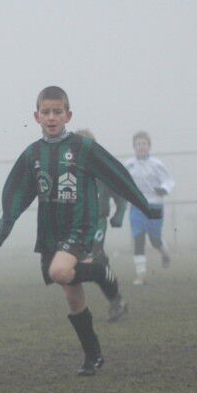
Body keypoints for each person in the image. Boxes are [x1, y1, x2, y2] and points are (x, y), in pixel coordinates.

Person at [0, 86, 160, 375]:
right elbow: (17, 191)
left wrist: (142, 205)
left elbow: (116, 174)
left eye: (57, 112)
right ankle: (93, 356)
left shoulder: (83, 149)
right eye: (46, 112)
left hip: (79, 227)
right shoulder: (33, 154)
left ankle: (99, 271)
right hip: (50, 232)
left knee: (59, 271)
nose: (52, 117)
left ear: (68, 115)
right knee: (72, 295)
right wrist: (5, 225)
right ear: (36, 117)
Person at [75, 128, 128, 322]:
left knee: (94, 256)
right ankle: (115, 298)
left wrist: (119, 215)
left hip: (98, 221)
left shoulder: (103, 171)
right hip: (77, 225)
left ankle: (115, 301)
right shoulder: (71, 173)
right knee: (92, 262)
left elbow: (121, 195)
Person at [122, 131, 175, 285]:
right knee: (138, 238)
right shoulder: (129, 164)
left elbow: (169, 180)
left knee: (155, 240)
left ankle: (165, 254)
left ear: (149, 146)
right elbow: (121, 179)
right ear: (134, 147)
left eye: (144, 143)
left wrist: (164, 189)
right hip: (137, 206)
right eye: (138, 144)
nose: (141, 146)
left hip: (155, 206)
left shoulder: (156, 164)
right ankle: (141, 275)